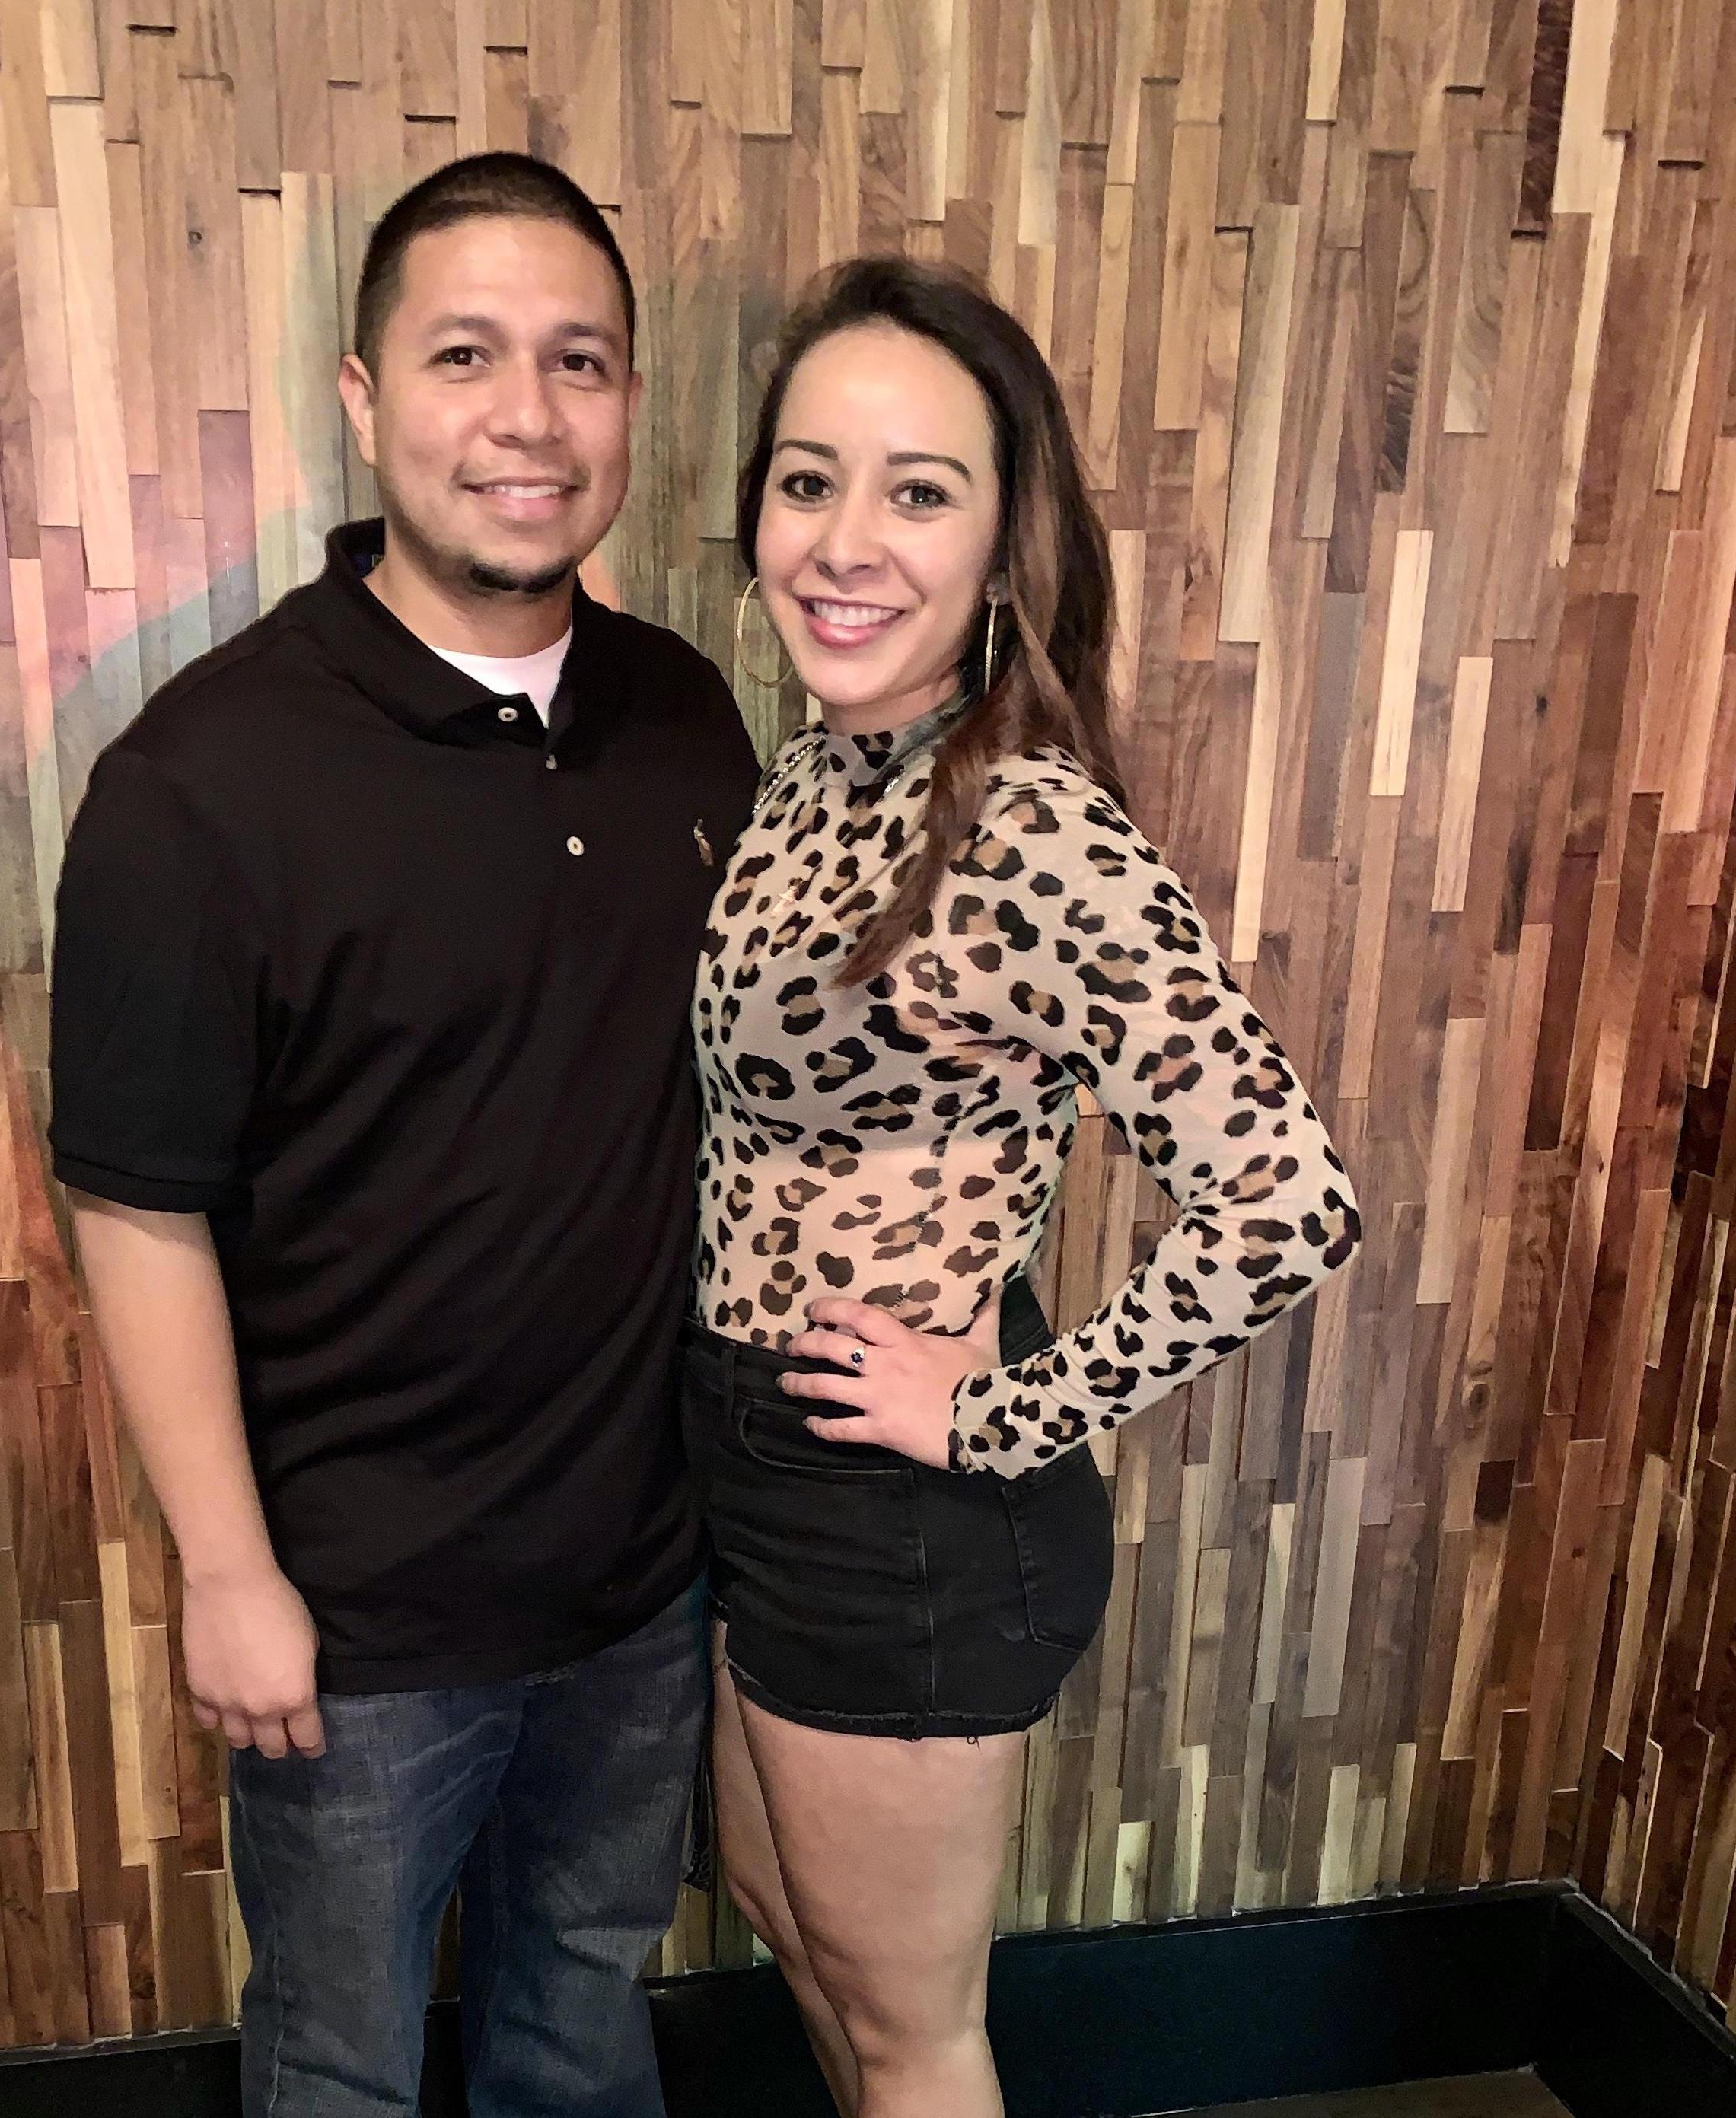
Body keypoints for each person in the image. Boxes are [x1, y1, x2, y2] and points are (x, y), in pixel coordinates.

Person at [46, 153, 759, 2117]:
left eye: (579, 362)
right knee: (341, 2064)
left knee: (580, 2026)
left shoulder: (690, 719)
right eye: (465, 357)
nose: (528, 416)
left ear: (629, 404)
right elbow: (136, 1203)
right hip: (361, 1626)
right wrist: (227, 1574)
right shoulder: (201, 783)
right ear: (363, 403)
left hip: (642, 1587)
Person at [682, 256, 1364, 2118]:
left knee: (913, 2030)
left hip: (897, 1511)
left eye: (919, 491)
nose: (845, 540)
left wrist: (1000, 1416)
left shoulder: (1029, 826)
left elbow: (1286, 1201)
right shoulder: (817, 777)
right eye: (808, 480)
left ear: (1004, 547)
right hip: (755, 1453)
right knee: (795, 1932)